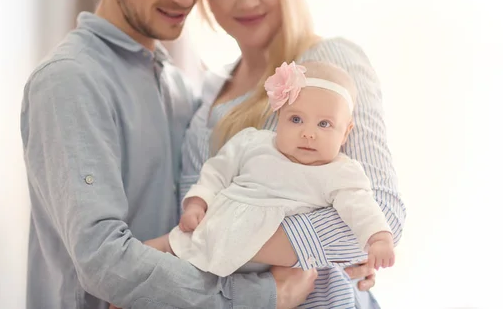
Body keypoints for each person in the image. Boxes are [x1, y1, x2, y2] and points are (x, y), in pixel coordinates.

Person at [20, 0, 317, 308]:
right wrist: (264, 297)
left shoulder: (180, 88)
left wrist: (334, 252)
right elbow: (103, 260)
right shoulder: (70, 81)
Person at [174, 0, 407, 309]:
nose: (247, 1)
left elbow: (381, 210)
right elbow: (192, 226)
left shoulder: (332, 64)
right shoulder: (206, 110)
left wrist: (232, 243)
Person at [166, 61, 395, 279]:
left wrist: (378, 239)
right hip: (207, 233)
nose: (308, 133)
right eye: (296, 119)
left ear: (346, 132)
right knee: (157, 252)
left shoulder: (339, 173)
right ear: (278, 118)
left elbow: (360, 206)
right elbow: (216, 172)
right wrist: (197, 202)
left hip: (271, 264)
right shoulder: (253, 142)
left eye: (324, 124)